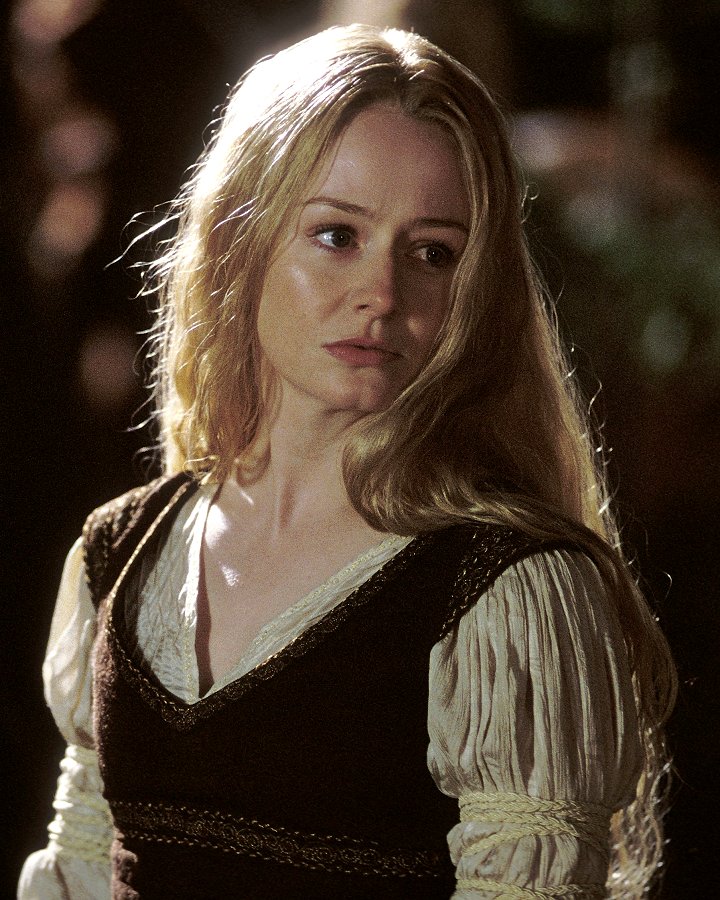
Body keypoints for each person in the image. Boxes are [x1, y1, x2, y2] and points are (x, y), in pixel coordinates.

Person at [19, 24, 676, 900]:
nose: (383, 293)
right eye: (337, 235)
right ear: (241, 241)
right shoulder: (123, 552)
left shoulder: (503, 590)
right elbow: (82, 861)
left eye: (432, 251)